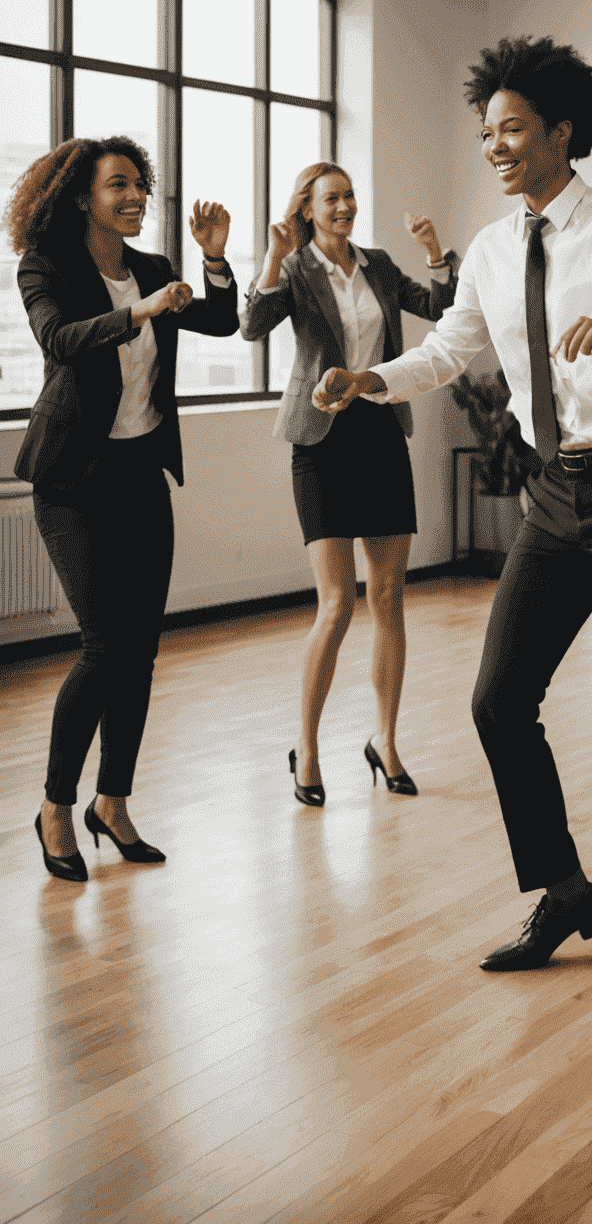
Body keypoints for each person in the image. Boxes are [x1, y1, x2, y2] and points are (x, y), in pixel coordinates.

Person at [310, 35, 592, 971]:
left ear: (562, 132)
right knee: (497, 701)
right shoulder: (490, 247)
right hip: (555, 492)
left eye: (513, 129)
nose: (495, 145)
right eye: (487, 131)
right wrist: (373, 380)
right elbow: (449, 352)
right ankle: (563, 891)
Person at [7, 136, 238, 881]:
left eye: (141, 184)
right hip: (73, 481)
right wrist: (139, 311)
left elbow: (221, 323)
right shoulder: (48, 268)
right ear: (84, 198)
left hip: (140, 475)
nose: (136, 196)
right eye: (119, 186)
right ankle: (53, 806)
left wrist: (212, 261)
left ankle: (113, 800)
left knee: (140, 651)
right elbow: (60, 338)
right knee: (105, 646)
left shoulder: (157, 270)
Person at [242, 163, 457, 804]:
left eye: (350, 196)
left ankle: (385, 742)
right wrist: (273, 260)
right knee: (336, 606)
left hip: (381, 436)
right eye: (332, 198)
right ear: (308, 209)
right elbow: (252, 326)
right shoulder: (298, 266)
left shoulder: (380, 264)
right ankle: (306, 749)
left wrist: (434, 252)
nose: (345, 206)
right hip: (320, 444)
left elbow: (441, 307)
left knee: (388, 601)